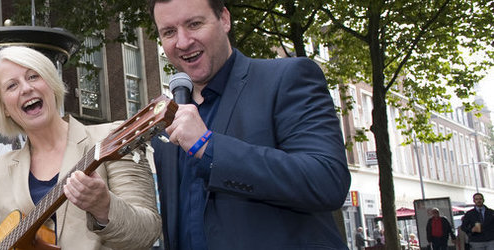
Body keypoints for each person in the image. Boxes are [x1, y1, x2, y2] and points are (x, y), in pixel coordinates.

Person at [147, 0, 350, 249]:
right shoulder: (170, 124)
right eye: (169, 32)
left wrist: (207, 147)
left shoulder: (289, 78)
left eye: (195, 24)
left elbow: (327, 181)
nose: (183, 41)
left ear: (224, 19)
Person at [0, 46, 161, 249]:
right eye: (12, 85)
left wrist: (104, 206)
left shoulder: (111, 137)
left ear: (51, 84)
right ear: (4, 107)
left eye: (33, 76)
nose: (26, 88)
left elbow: (146, 234)